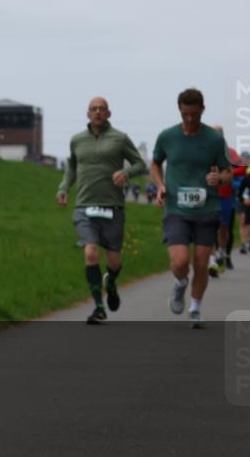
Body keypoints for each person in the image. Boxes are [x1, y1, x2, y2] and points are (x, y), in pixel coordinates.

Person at [57, 97, 146, 324]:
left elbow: (140, 164)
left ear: (108, 113)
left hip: (112, 207)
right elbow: (72, 167)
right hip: (85, 205)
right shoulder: (77, 140)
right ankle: (98, 307)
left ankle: (111, 283)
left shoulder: (120, 138)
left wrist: (126, 173)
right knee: (90, 253)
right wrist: (64, 187)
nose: (97, 112)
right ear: (87, 114)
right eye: (93, 109)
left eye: (101, 109)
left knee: (114, 262)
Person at [150, 88, 231, 328]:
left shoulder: (215, 140)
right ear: (180, 111)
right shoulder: (167, 136)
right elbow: (155, 163)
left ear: (202, 110)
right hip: (176, 208)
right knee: (179, 262)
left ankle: (195, 308)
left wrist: (220, 179)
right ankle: (180, 284)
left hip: (207, 209)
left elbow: (228, 171)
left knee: (201, 262)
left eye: (194, 114)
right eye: (185, 114)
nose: (189, 119)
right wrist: (160, 185)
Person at [208, 126, 242, 276]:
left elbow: (240, 169)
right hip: (208, 195)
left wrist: (225, 174)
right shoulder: (203, 149)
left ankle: (221, 251)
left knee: (223, 228)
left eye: (218, 134)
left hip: (226, 195)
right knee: (208, 228)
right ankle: (212, 261)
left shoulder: (231, 152)